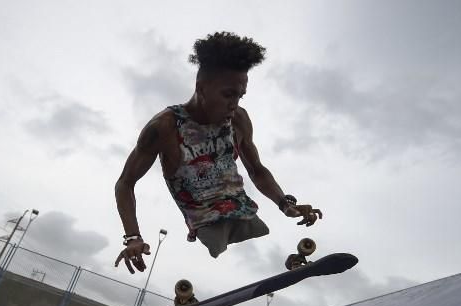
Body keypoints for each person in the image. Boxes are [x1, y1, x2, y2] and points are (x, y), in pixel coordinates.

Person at [115, 32, 322, 274]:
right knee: (215, 245)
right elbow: (125, 183)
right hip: (205, 222)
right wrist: (133, 237)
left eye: (239, 95)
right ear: (201, 88)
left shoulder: (239, 119)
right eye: (228, 94)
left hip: (242, 213)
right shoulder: (165, 127)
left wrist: (285, 203)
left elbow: (257, 170)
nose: (234, 104)